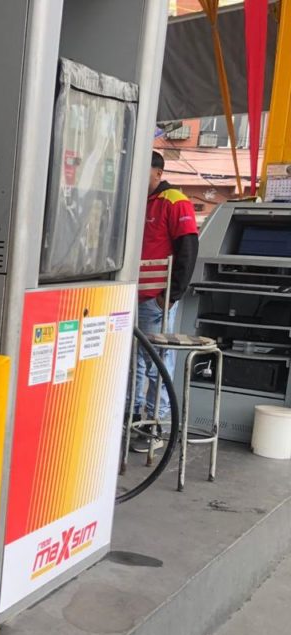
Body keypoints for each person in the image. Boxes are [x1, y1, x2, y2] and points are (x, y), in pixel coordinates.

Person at [131, 151, 199, 452]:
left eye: (143, 169)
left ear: (158, 173)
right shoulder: (134, 201)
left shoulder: (174, 201)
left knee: (155, 361)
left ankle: (154, 425)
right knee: (132, 361)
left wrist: (169, 297)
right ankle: (132, 418)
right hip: (129, 297)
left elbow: (188, 249)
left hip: (154, 299)